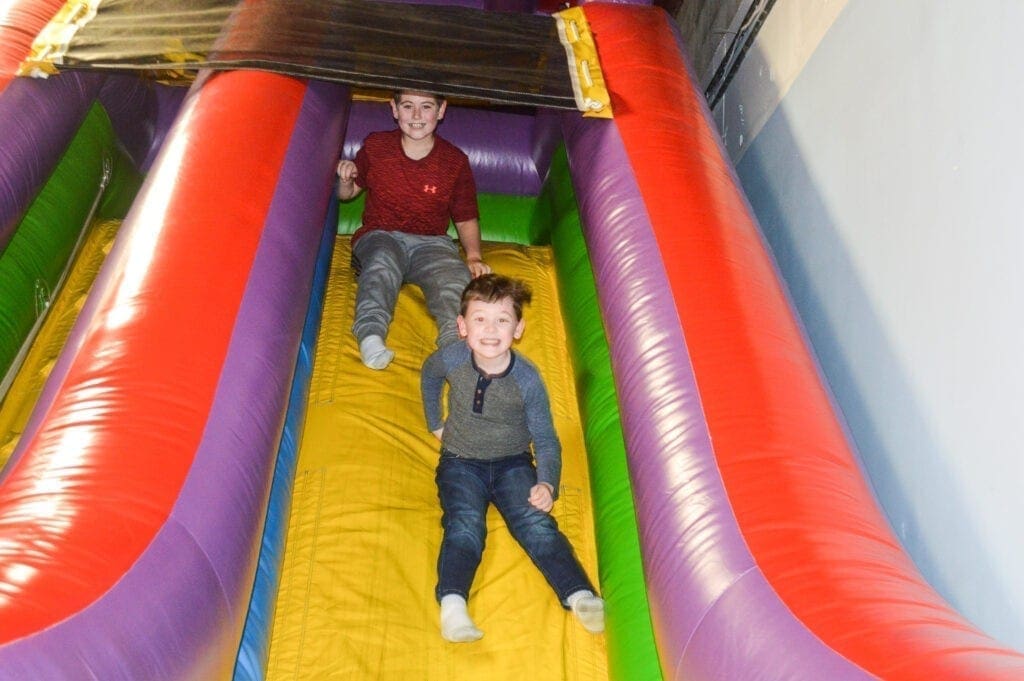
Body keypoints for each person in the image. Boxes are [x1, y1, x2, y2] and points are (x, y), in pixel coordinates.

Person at [420, 274, 604, 643]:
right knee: (464, 524)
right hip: (459, 460)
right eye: (480, 319)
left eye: (502, 320)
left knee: (535, 523)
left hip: (512, 462)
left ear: (518, 328)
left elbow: (547, 439)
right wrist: (434, 422)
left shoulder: (527, 379)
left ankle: (580, 594)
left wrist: (547, 482)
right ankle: (454, 606)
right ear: (462, 326)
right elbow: (429, 374)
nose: (490, 330)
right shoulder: (452, 358)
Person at [336, 90, 491, 370]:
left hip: (431, 243)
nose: (417, 116)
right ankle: (371, 335)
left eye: (426, 107)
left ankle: (456, 343)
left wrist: (474, 256)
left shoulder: (454, 162)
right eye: (408, 106)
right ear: (394, 109)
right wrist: (345, 179)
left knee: (454, 279)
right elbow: (348, 194)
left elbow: (466, 215)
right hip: (380, 236)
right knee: (381, 266)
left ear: (441, 110)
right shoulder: (377, 146)